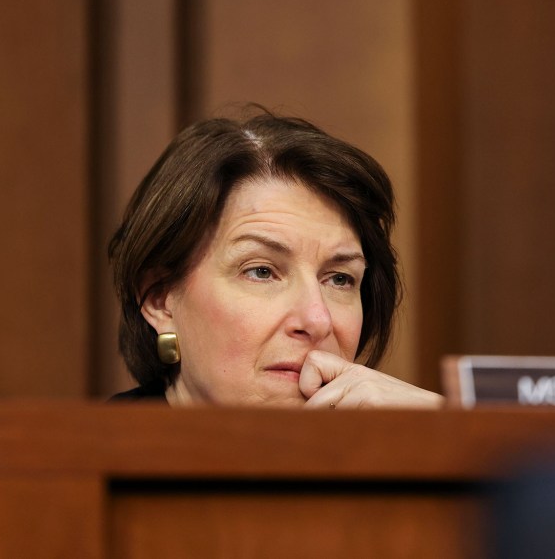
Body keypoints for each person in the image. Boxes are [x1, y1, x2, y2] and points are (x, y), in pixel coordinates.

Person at [108, 107, 443, 408]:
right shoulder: (82, 466)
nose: (317, 320)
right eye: (261, 272)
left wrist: (453, 442)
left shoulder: (393, 462)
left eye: (340, 279)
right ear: (160, 300)